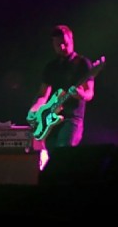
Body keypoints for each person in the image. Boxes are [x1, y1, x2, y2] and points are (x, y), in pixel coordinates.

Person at [26, 25, 96, 168]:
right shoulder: (51, 66)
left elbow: (90, 93)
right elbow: (43, 94)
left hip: (72, 118)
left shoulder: (83, 63)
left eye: (65, 43)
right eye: (58, 45)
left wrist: (81, 94)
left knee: (64, 152)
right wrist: (35, 109)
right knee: (53, 155)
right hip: (51, 120)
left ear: (71, 40)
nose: (62, 47)